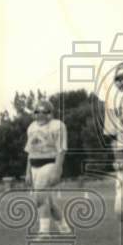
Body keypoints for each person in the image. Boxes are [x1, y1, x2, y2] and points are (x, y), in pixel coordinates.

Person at [25, 99, 69, 235]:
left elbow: (61, 150)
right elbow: (30, 151)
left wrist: (57, 170)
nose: (40, 114)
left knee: (39, 198)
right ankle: (64, 227)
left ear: (51, 113)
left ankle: (44, 232)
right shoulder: (32, 127)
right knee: (47, 200)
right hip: (34, 165)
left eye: (44, 111)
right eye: (37, 111)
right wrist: (27, 172)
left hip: (49, 163)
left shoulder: (58, 126)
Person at [104, 62, 123, 225]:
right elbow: (112, 136)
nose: (120, 82)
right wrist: (118, 158)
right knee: (122, 209)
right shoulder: (112, 103)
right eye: (117, 79)